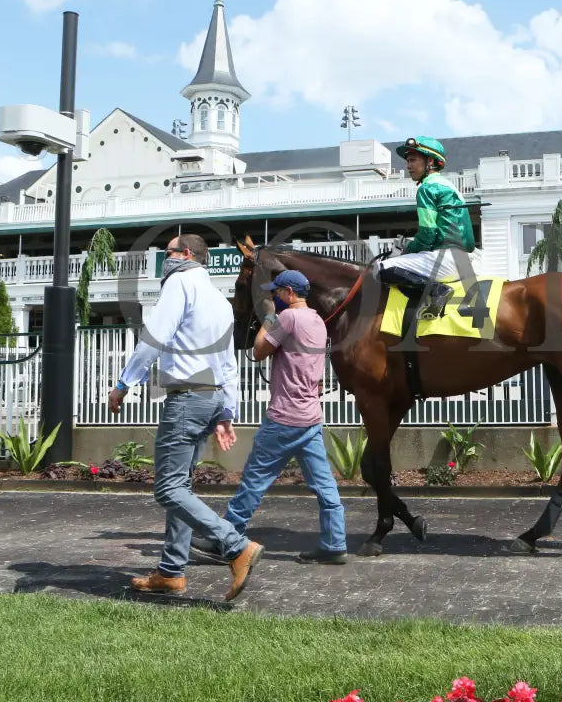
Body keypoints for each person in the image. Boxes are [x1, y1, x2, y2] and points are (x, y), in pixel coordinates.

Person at [108, 233, 263, 601]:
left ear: (187, 254)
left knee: (168, 488)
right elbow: (228, 363)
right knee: (182, 487)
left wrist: (123, 383)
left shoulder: (179, 282)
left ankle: (235, 546)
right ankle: (171, 571)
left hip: (186, 399)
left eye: (168, 253)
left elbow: (155, 336)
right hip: (209, 399)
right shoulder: (218, 299)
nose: (165, 260)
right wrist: (227, 411)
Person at [191, 268, 348, 565]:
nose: (275, 296)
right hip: (311, 417)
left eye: (277, 292)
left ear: (289, 293)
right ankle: (334, 543)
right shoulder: (318, 320)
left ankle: (225, 541)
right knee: (325, 485)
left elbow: (259, 350)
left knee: (253, 482)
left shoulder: (287, 318)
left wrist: (270, 317)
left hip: (284, 418)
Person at [377, 136, 476, 319]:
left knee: (380, 268)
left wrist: (408, 248)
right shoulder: (450, 187)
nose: (408, 165)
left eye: (413, 159)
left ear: (430, 161)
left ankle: (437, 290)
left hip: (444, 260)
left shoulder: (427, 188)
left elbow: (428, 235)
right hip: (464, 261)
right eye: (408, 160)